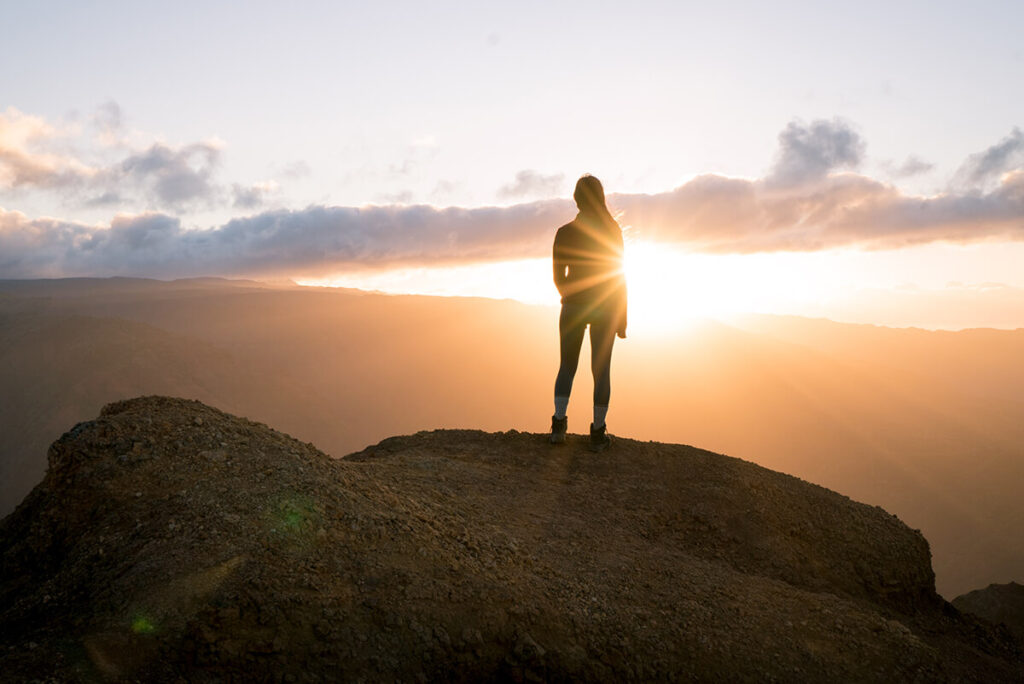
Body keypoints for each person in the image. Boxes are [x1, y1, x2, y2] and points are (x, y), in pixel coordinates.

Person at [550, 175, 627, 451]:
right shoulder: (612, 231)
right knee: (601, 369)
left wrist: (568, 296)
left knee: (567, 366)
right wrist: (622, 317)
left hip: (573, 306)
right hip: (606, 306)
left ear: (576, 199)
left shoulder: (564, 232)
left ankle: (559, 427)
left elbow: (558, 276)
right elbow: (619, 276)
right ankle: (597, 433)